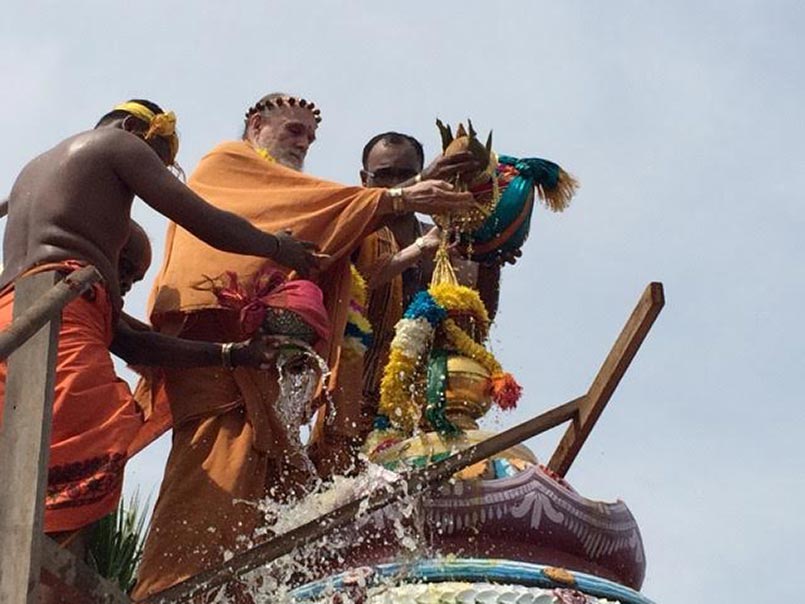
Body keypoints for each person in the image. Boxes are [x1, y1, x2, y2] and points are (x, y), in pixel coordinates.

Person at [132, 93, 478, 600]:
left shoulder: (310, 202)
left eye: (311, 138)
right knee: (210, 479)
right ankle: (173, 590)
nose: (304, 143)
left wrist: (435, 236)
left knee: (267, 488)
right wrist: (402, 198)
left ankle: (235, 592)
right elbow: (318, 217)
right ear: (256, 125)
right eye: (294, 131)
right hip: (216, 356)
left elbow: (332, 245)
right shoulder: (227, 163)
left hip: (271, 369)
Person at [0, 99, 319, 551]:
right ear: (134, 127)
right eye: (157, 161)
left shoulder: (33, 172)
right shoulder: (117, 142)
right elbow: (200, 218)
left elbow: (133, 342)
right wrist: (276, 246)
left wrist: (232, 353)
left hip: (17, 314)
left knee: (21, 465)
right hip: (61, 312)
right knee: (92, 447)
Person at [355, 132, 502, 432]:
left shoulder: (447, 242)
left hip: (434, 407)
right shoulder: (351, 232)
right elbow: (351, 288)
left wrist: (491, 255)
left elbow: (476, 323)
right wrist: (419, 248)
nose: (395, 183)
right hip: (357, 404)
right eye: (384, 175)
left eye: (406, 175)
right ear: (364, 180)